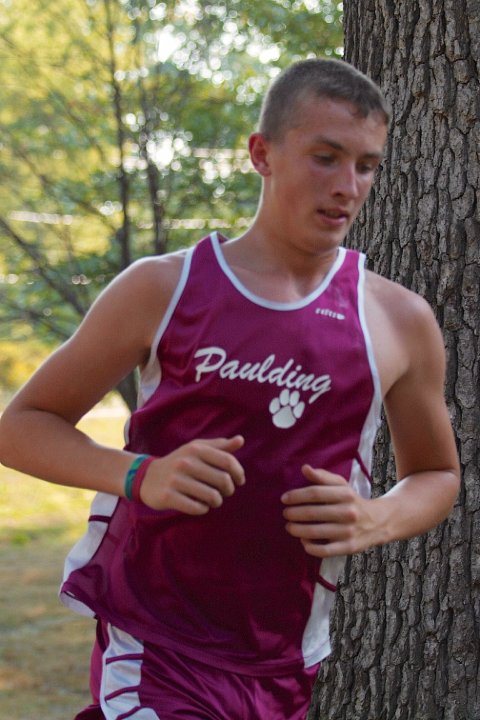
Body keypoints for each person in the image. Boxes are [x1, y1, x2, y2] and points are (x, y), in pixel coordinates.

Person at [0, 58, 460, 720]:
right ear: (261, 154)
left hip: (285, 662)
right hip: (155, 646)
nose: (348, 186)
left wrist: (374, 516)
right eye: (326, 158)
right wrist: (141, 475)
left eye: (367, 166)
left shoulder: (397, 319)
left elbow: (437, 474)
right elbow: (21, 427)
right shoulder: (163, 287)